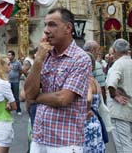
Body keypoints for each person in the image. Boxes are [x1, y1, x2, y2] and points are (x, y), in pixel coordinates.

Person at [25, 8, 91, 153]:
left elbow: (63, 98)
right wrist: (38, 60)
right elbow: (28, 93)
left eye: (52, 25)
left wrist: (36, 98)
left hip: (64, 143)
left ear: (68, 28)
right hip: (39, 138)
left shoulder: (80, 58)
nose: (47, 30)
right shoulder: (45, 55)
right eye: (46, 25)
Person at [106, 38, 132, 153]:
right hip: (128, 109)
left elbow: (111, 83)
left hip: (120, 111)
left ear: (115, 50)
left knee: (123, 146)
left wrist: (115, 95)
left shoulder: (118, 64)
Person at [83, 52, 105, 153]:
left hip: (87, 123)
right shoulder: (95, 81)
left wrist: (86, 111)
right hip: (96, 122)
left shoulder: (86, 80)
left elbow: (88, 99)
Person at [83, 40, 107, 104]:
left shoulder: (77, 61)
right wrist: (104, 103)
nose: (98, 53)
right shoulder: (96, 65)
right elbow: (102, 88)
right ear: (93, 50)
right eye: (98, 50)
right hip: (93, 102)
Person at [7, 50, 22, 115]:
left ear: (13, 55)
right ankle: (9, 109)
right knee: (8, 96)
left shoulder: (17, 63)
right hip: (8, 81)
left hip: (15, 81)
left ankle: (18, 109)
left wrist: (18, 77)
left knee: (16, 96)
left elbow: (20, 70)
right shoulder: (7, 63)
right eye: (8, 55)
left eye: (9, 55)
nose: (8, 56)